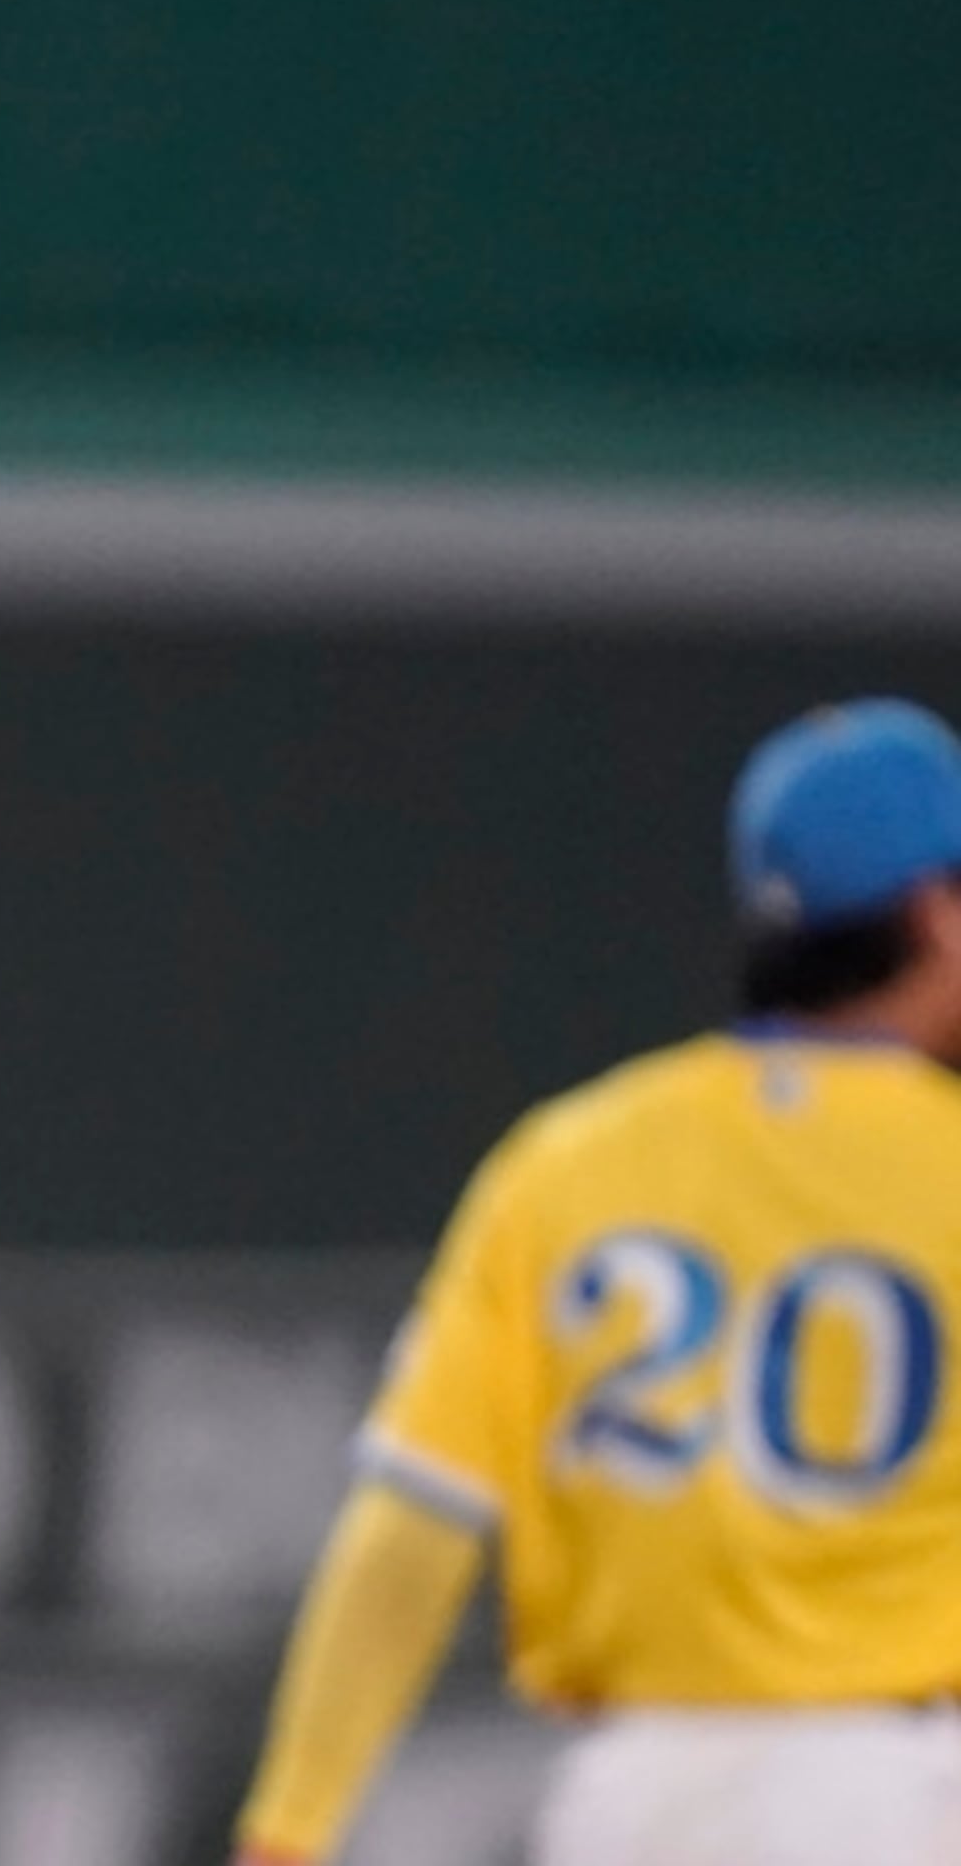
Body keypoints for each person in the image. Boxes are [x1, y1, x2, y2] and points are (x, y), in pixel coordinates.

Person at [232, 697, 961, 1865]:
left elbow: (408, 1528)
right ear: (937, 915)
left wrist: (291, 1828)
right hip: (903, 1788)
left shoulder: (570, 1163)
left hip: (636, 1801)